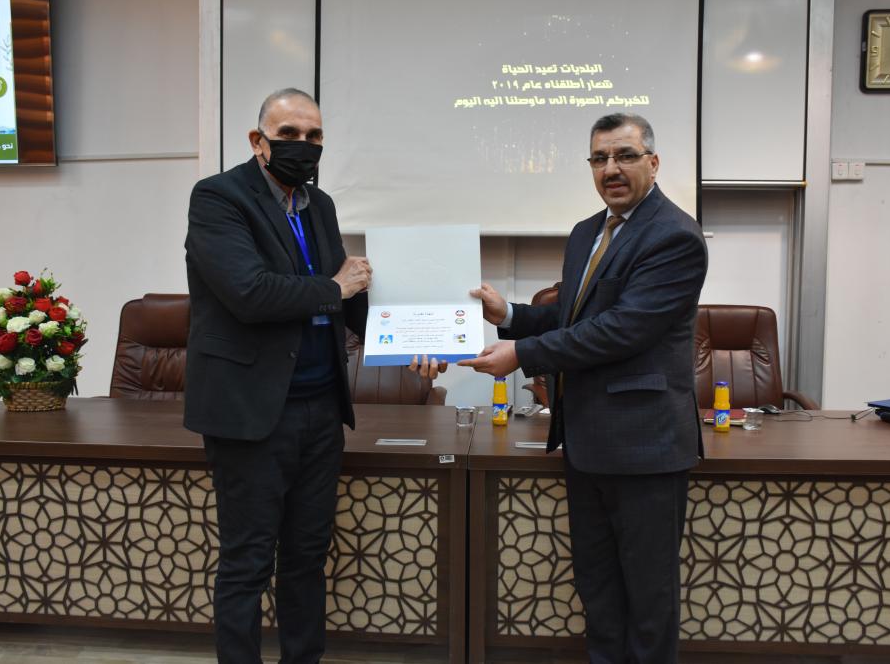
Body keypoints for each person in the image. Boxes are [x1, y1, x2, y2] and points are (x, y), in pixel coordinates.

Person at [184, 88, 443, 664]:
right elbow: (250, 292)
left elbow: (349, 297)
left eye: (314, 136)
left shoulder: (318, 204)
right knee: (248, 561)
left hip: (320, 410)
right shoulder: (218, 198)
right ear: (258, 141)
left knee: (306, 556)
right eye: (289, 135)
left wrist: (414, 343)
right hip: (252, 413)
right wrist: (335, 286)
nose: (303, 145)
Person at [460, 112, 707, 664]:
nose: (611, 169)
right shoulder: (586, 232)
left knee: (648, 600)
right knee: (598, 592)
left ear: (653, 163)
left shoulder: (674, 235)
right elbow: (575, 318)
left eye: (625, 156)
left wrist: (522, 354)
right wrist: (511, 316)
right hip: (587, 442)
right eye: (599, 159)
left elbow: (622, 329)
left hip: (645, 446)